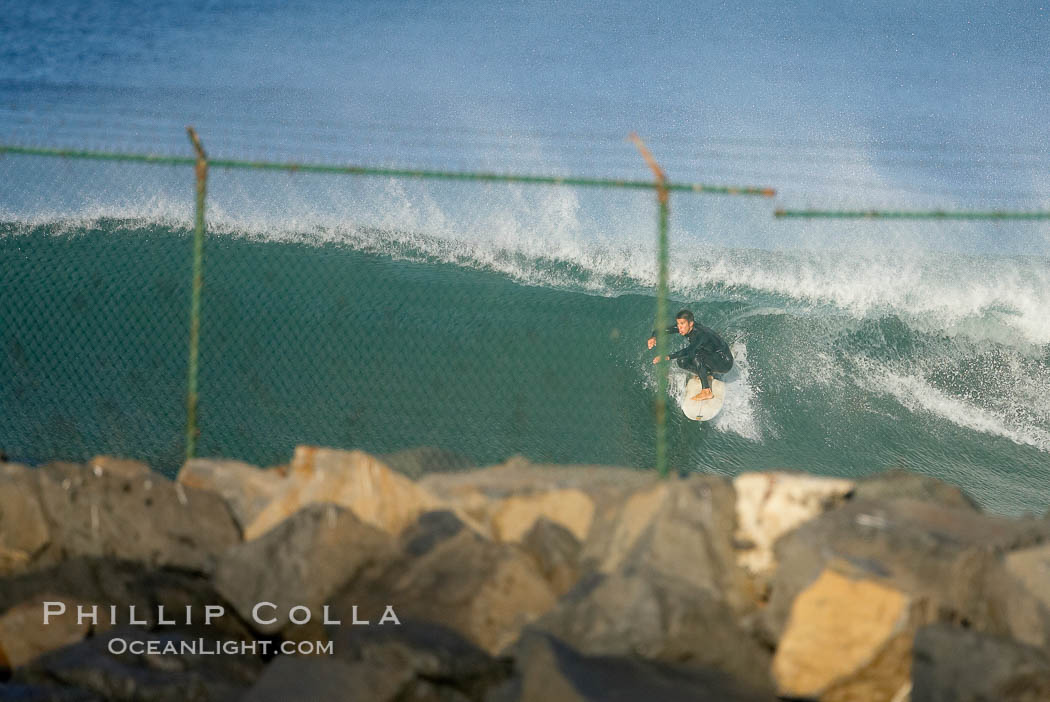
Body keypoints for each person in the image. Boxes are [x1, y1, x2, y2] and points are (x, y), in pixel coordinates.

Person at [648, 309, 733, 401]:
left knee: (696, 353)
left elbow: (689, 350)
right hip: (712, 357)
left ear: (691, 323)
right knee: (681, 361)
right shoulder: (685, 328)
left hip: (724, 362)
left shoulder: (700, 334)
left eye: (682, 324)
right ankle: (707, 374)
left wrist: (668, 357)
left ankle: (706, 391)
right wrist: (653, 337)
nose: (679, 327)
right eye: (678, 324)